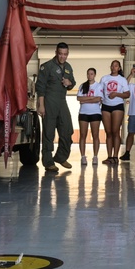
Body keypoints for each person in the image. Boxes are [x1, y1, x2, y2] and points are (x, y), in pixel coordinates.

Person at [36, 42, 76, 172]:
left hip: (62, 102)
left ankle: (60, 156)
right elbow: (40, 87)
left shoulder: (69, 67)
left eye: (65, 54)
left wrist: (69, 83)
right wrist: (41, 105)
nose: (62, 57)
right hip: (49, 102)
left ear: (68, 54)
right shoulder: (46, 67)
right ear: (56, 53)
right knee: (48, 132)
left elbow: (72, 83)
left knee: (67, 130)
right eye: (60, 54)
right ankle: (48, 162)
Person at [100, 60, 130, 165]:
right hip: (105, 106)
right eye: (112, 66)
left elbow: (127, 94)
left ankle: (115, 156)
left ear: (119, 68)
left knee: (115, 131)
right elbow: (100, 92)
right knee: (108, 132)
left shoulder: (122, 80)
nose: (114, 67)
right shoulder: (104, 78)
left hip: (117, 106)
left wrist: (116, 94)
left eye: (116, 66)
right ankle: (109, 156)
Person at [77, 67, 103, 167]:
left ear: (95, 75)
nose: (89, 76)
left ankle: (95, 156)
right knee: (82, 135)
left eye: (91, 74)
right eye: (88, 74)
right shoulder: (83, 86)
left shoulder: (98, 86)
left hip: (95, 113)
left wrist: (86, 99)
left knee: (95, 135)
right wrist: (92, 98)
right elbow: (79, 98)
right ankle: (83, 156)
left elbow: (99, 99)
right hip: (83, 112)